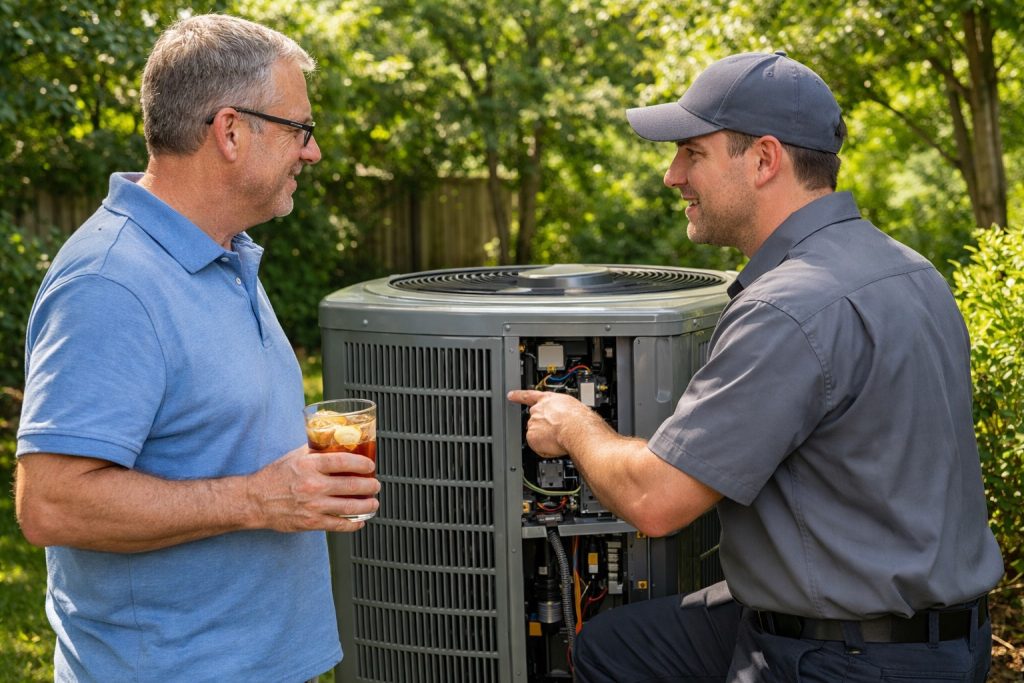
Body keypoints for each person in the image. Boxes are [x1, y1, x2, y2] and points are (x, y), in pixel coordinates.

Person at [508, 51, 1003, 682]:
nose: (671, 176)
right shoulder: (909, 267)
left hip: (848, 659)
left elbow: (656, 502)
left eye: (693, 152)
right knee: (616, 647)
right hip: (939, 633)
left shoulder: (789, 307)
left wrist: (576, 425)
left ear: (765, 160)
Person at [14, 14, 378, 682]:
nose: (313, 151)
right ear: (232, 131)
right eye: (301, 128)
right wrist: (257, 500)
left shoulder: (226, 254)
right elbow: (51, 502)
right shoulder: (110, 282)